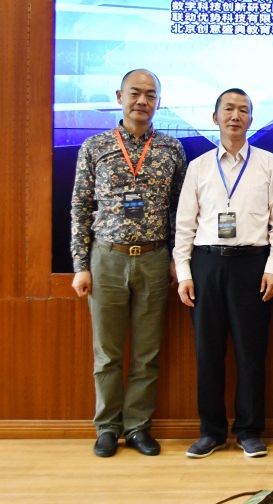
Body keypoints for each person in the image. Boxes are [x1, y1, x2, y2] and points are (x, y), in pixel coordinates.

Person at [70, 69, 187, 458]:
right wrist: (80, 264)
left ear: (158, 102)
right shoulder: (95, 146)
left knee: (146, 353)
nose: (142, 101)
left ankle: (138, 427)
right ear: (120, 96)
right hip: (107, 258)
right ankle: (107, 427)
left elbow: (180, 211)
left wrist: (177, 258)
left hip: (154, 259)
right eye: (135, 93)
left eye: (150, 95)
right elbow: (80, 208)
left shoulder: (172, 149)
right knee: (107, 353)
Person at [173, 89, 273, 459]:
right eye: (228, 109)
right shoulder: (199, 166)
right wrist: (184, 272)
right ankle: (211, 432)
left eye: (243, 110)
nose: (235, 116)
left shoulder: (269, 163)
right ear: (215, 117)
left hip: (252, 265)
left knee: (251, 352)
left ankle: (249, 431)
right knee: (207, 353)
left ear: (251, 119)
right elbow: (184, 224)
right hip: (206, 264)